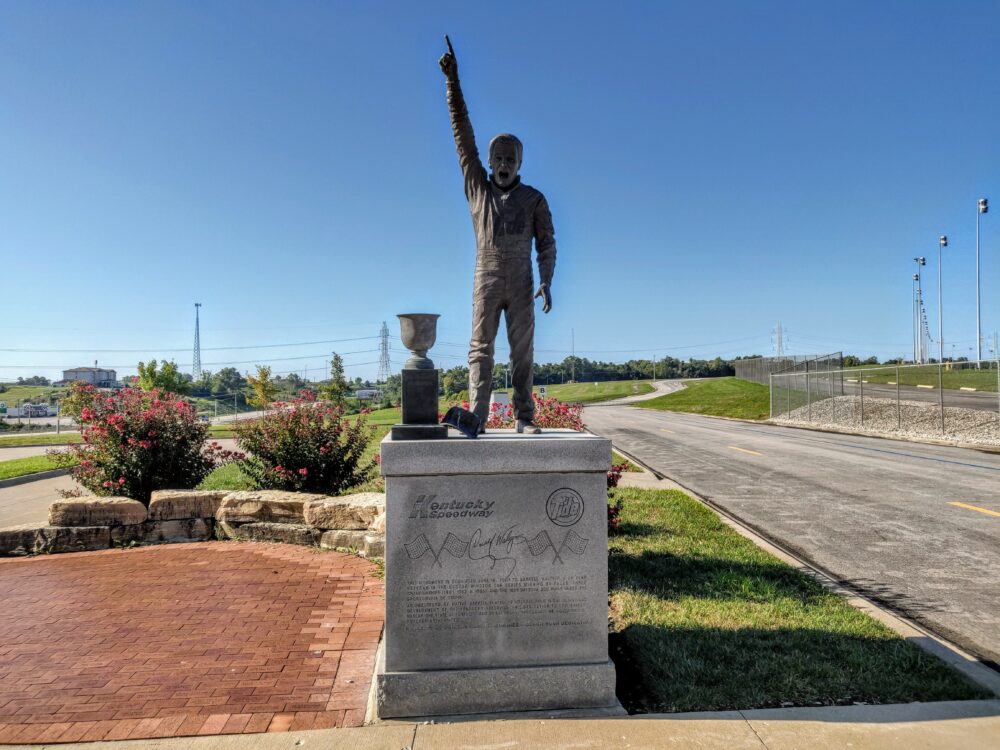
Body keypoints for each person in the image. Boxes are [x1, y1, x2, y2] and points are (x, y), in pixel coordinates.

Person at [439, 36, 556, 434]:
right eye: (498, 159)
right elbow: (462, 135)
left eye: (511, 159)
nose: (504, 164)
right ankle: (478, 417)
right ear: (488, 162)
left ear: (520, 162)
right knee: (480, 351)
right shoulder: (479, 189)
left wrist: (547, 279)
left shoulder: (534, 199)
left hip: (522, 280)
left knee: (522, 353)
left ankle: (525, 416)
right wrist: (452, 84)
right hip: (485, 277)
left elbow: (548, 242)